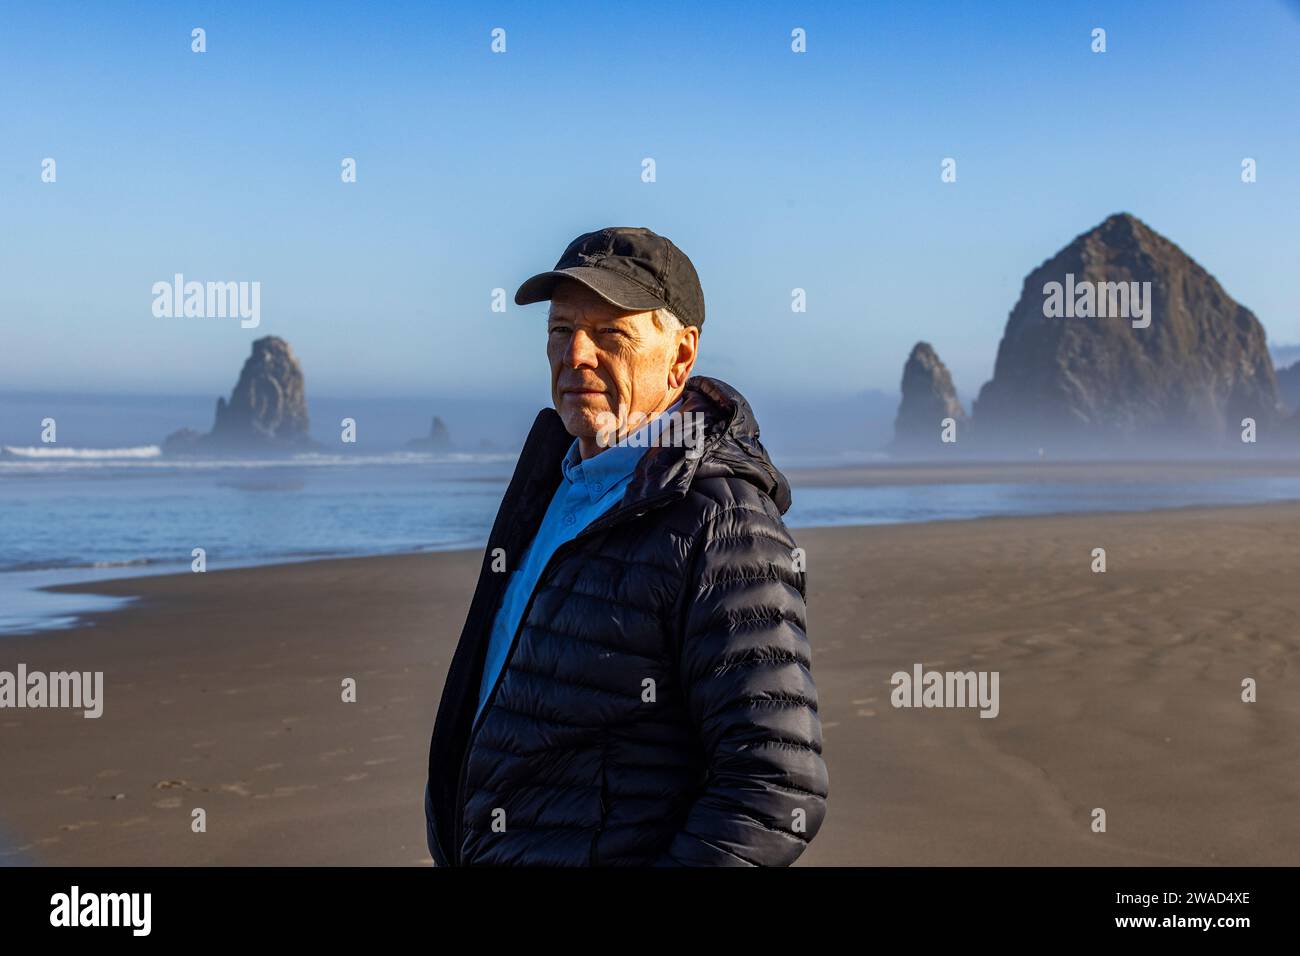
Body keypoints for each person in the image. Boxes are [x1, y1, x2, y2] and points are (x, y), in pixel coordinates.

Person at [424, 226, 828, 865]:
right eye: (560, 331)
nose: (575, 353)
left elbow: (776, 786)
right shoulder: (554, 486)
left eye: (611, 334)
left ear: (680, 355)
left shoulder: (723, 525)